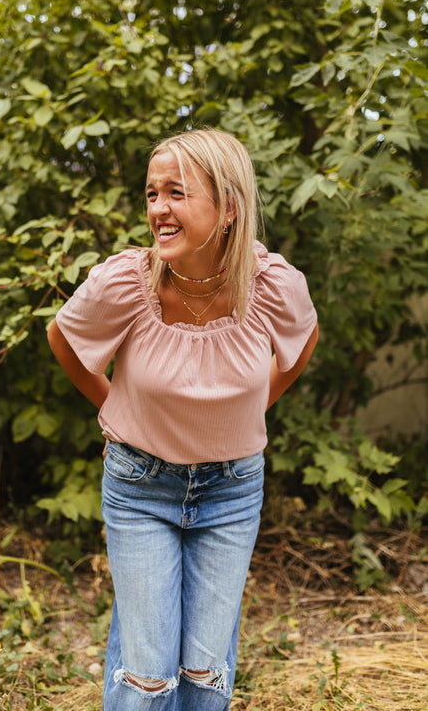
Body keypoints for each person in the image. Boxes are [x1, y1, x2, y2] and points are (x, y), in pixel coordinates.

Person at [47, 127, 318, 711]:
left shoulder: (272, 286)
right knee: (147, 677)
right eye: (151, 195)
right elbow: (63, 339)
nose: (158, 210)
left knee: (205, 671)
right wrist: (112, 405)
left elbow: (301, 346)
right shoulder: (125, 282)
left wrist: (251, 406)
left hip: (233, 491)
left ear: (227, 208)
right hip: (141, 488)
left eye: (175, 193)